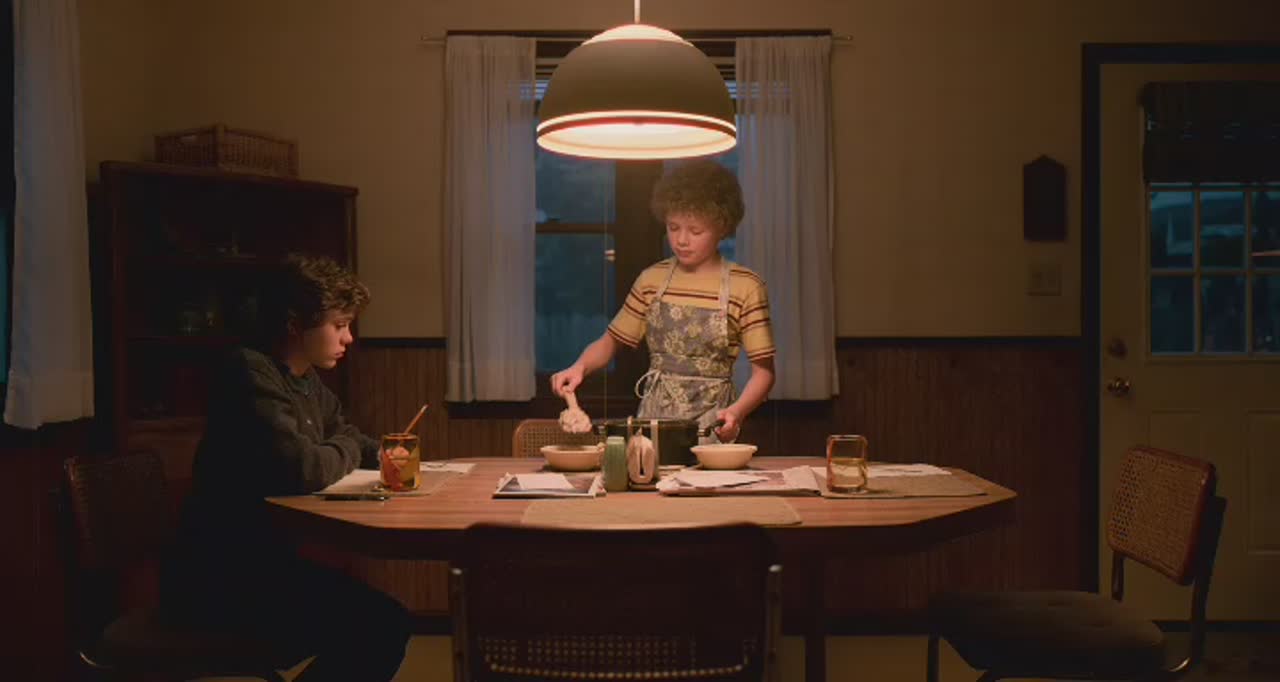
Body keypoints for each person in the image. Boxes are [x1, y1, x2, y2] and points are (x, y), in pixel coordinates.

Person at [161, 254, 410, 681]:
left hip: (260, 566)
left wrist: (387, 453)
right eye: (339, 325)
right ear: (295, 324)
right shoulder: (249, 372)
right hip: (218, 580)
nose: (349, 337)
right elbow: (305, 468)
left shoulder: (305, 379)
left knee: (382, 621)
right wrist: (351, 446)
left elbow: (344, 434)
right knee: (381, 625)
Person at [550, 160, 776, 443]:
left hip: (715, 424)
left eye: (695, 231)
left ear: (721, 227)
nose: (682, 240)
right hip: (653, 421)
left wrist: (737, 413)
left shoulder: (746, 286)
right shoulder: (652, 280)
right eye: (673, 227)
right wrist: (579, 367)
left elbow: (764, 373)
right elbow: (610, 342)